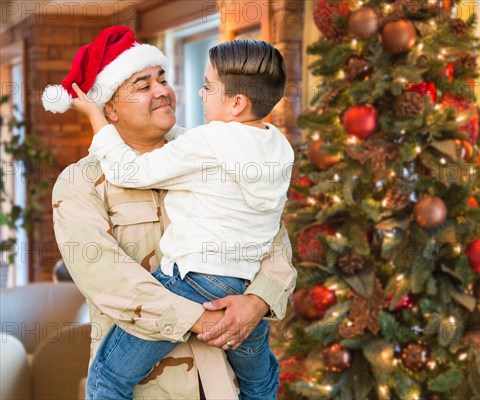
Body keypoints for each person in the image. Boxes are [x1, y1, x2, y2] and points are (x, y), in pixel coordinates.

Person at [46, 26, 296, 399]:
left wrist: (257, 302)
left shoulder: (214, 148)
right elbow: (109, 281)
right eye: (142, 86)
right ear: (108, 108)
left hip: (221, 384)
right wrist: (206, 319)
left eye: (162, 79)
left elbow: (271, 238)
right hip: (149, 389)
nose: (162, 90)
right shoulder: (80, 183)